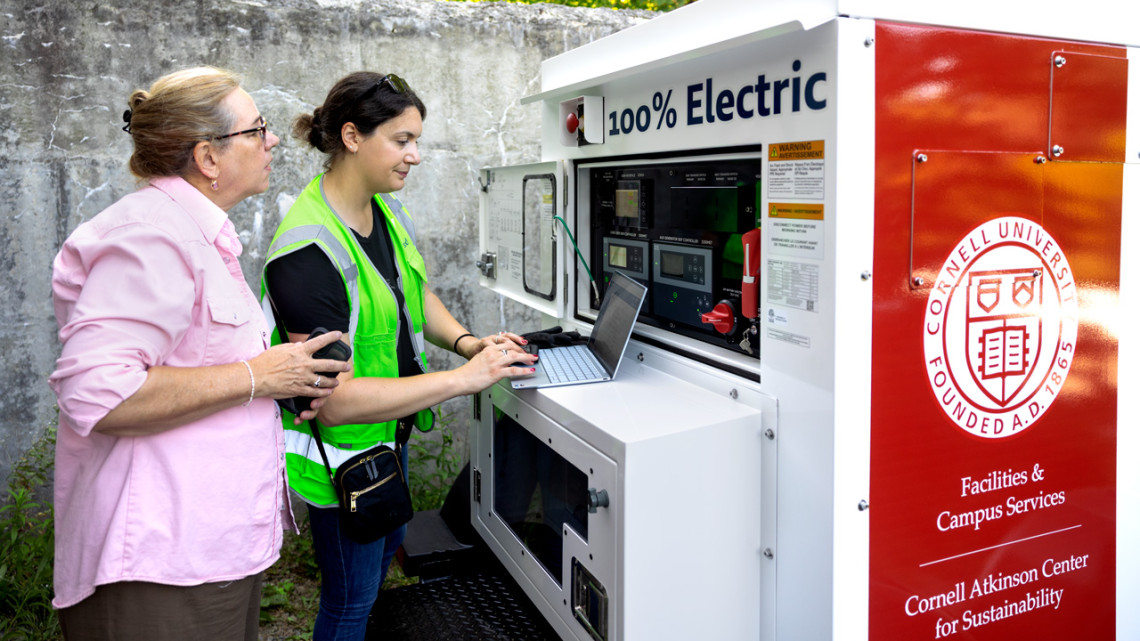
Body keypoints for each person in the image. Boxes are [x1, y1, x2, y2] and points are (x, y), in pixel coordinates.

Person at [48, 66, 352, 641]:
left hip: (206, 549)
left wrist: (290, 375)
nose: (274, 140)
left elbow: (199, 364)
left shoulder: (194, 234)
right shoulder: (152, 235)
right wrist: (257, 376)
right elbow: (100, 394)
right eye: (257, 129)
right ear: (208, 158)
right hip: (161, 562)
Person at [262, 71, 538, 640]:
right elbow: (334, 402)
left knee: (382, 564)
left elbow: (413, 293)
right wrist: (464, 379)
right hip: (342, 463)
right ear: (352, 136)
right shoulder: (306, 252)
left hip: (387, 442)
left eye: (417, 140)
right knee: (350, 603)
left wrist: (466, 343)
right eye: (402, 140)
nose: (415, 155)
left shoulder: (383, 211)